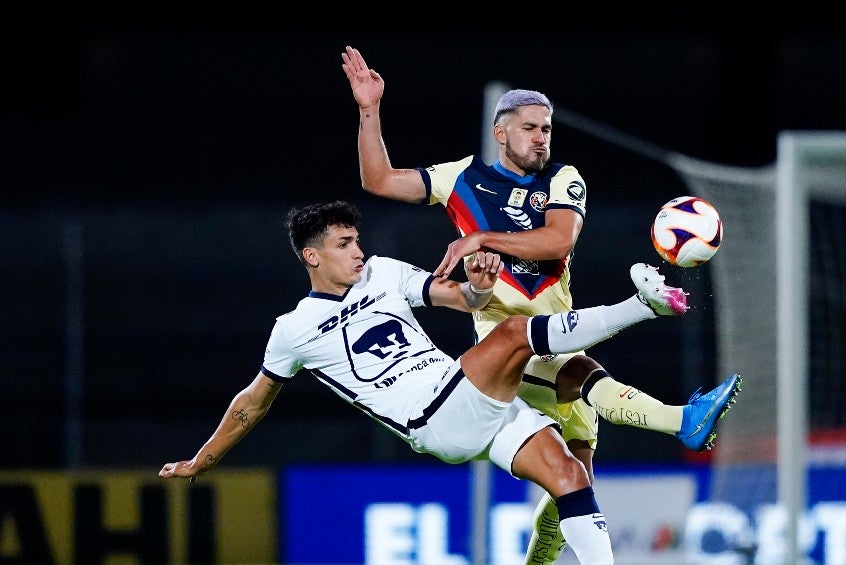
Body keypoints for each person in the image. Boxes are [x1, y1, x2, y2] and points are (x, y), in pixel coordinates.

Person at [341, 46, 743, 563]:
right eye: (530, 127)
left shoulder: (562, 179)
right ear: (501, 132)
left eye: (547, 128)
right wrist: (369, 109)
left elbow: (557, 243)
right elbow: (378, 180)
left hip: (560, 327)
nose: (541, 137)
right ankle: (680, 419)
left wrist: (478, 239)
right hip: (506, 353)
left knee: (573, 485)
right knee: (578, 373)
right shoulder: (461, 179)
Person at [159, 200, 700, 565]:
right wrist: (201, 461)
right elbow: (251, 405)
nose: (357, 251)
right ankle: (642, 306)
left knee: (570, 475)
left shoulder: (385, 273)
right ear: (312, 255)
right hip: (433, 418)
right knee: (515, 335)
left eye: (357, 240)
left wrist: (480, 287)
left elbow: (461, 300)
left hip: (468, 395)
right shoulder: (293, 330)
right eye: (345, 244)